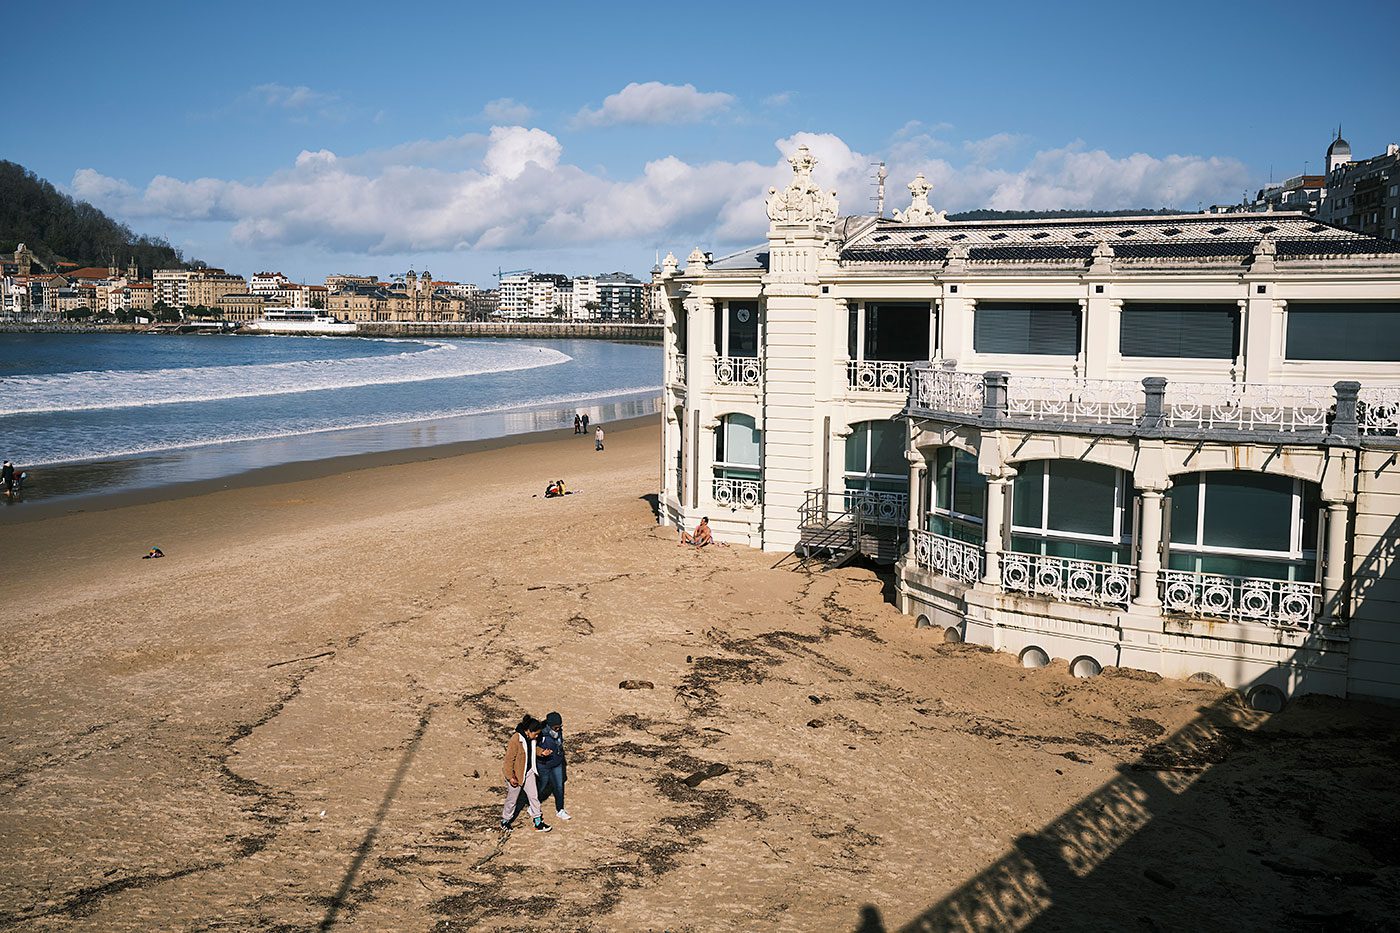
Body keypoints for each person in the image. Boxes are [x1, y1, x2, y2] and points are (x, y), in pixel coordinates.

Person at [501, 715, 552, 833]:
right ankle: (505, 821)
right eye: (536, 734)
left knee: (534, 796)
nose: (537, 736)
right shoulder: (516, 739)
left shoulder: (531, 739)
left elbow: (533, 750)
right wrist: (510, 777)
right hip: (516, 775)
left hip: (528, 771)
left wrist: (542, 753)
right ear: (528, 731)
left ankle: (538, 822)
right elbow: (508, 760)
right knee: (512, 800)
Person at [536, 711, 570, 821]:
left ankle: (560, 810)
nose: (558, 729)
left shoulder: (558, 732)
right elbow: (532, 747)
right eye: (556, 727)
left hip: (557, 763)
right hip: (543, 765)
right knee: (542, 785)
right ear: (549, 726)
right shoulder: (540, 733)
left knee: (559, 786)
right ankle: (534, 805)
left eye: (560, 727)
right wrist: (542, 752)